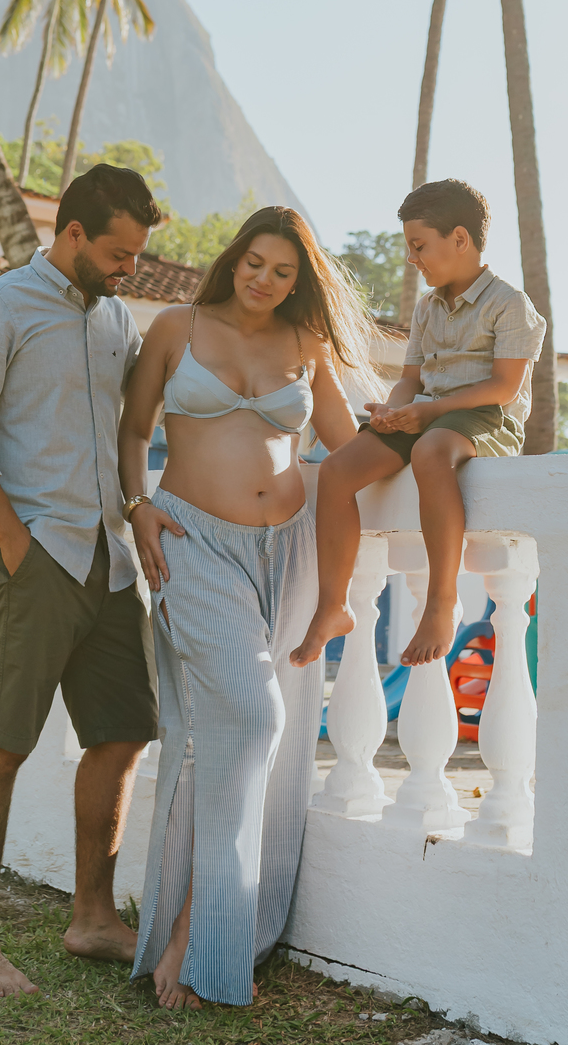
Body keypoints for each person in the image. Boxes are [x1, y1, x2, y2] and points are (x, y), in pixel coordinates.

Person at [118, 207, 372, 1010]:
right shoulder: (177, 327)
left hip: (289, 551)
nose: (265, 279)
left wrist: (432, 426)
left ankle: (218, 931)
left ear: (300, 283)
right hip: (192, 540)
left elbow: (350, 450)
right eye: (255, 263)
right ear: (233, 260)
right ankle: (195, 930)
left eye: (283, 271)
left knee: (273, 742)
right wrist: (137, 505)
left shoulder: (308, 345)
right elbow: (133, 430)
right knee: (253, 719)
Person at [0, 162, 164, 998]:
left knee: (122, 733)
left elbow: (136, 427)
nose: (128, 268)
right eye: (117, 252)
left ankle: (92, 918)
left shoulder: (117, 320)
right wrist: (12, 539)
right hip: (30, 558)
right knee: (3, 743)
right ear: (72, 234)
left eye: (136, 254)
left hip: (108, 561)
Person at [291, 178, 546, 671]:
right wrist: (391, 411)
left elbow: (504, 387)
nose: (412, 258)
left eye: (419, 245)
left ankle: (441, 603)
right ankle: (333, 605)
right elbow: (410, 380)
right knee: (337, 469)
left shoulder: (509, 303)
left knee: (431, 452)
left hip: (484, 417)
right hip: (427, 413)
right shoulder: (428, 306)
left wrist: (429, 413)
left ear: (459, 239)